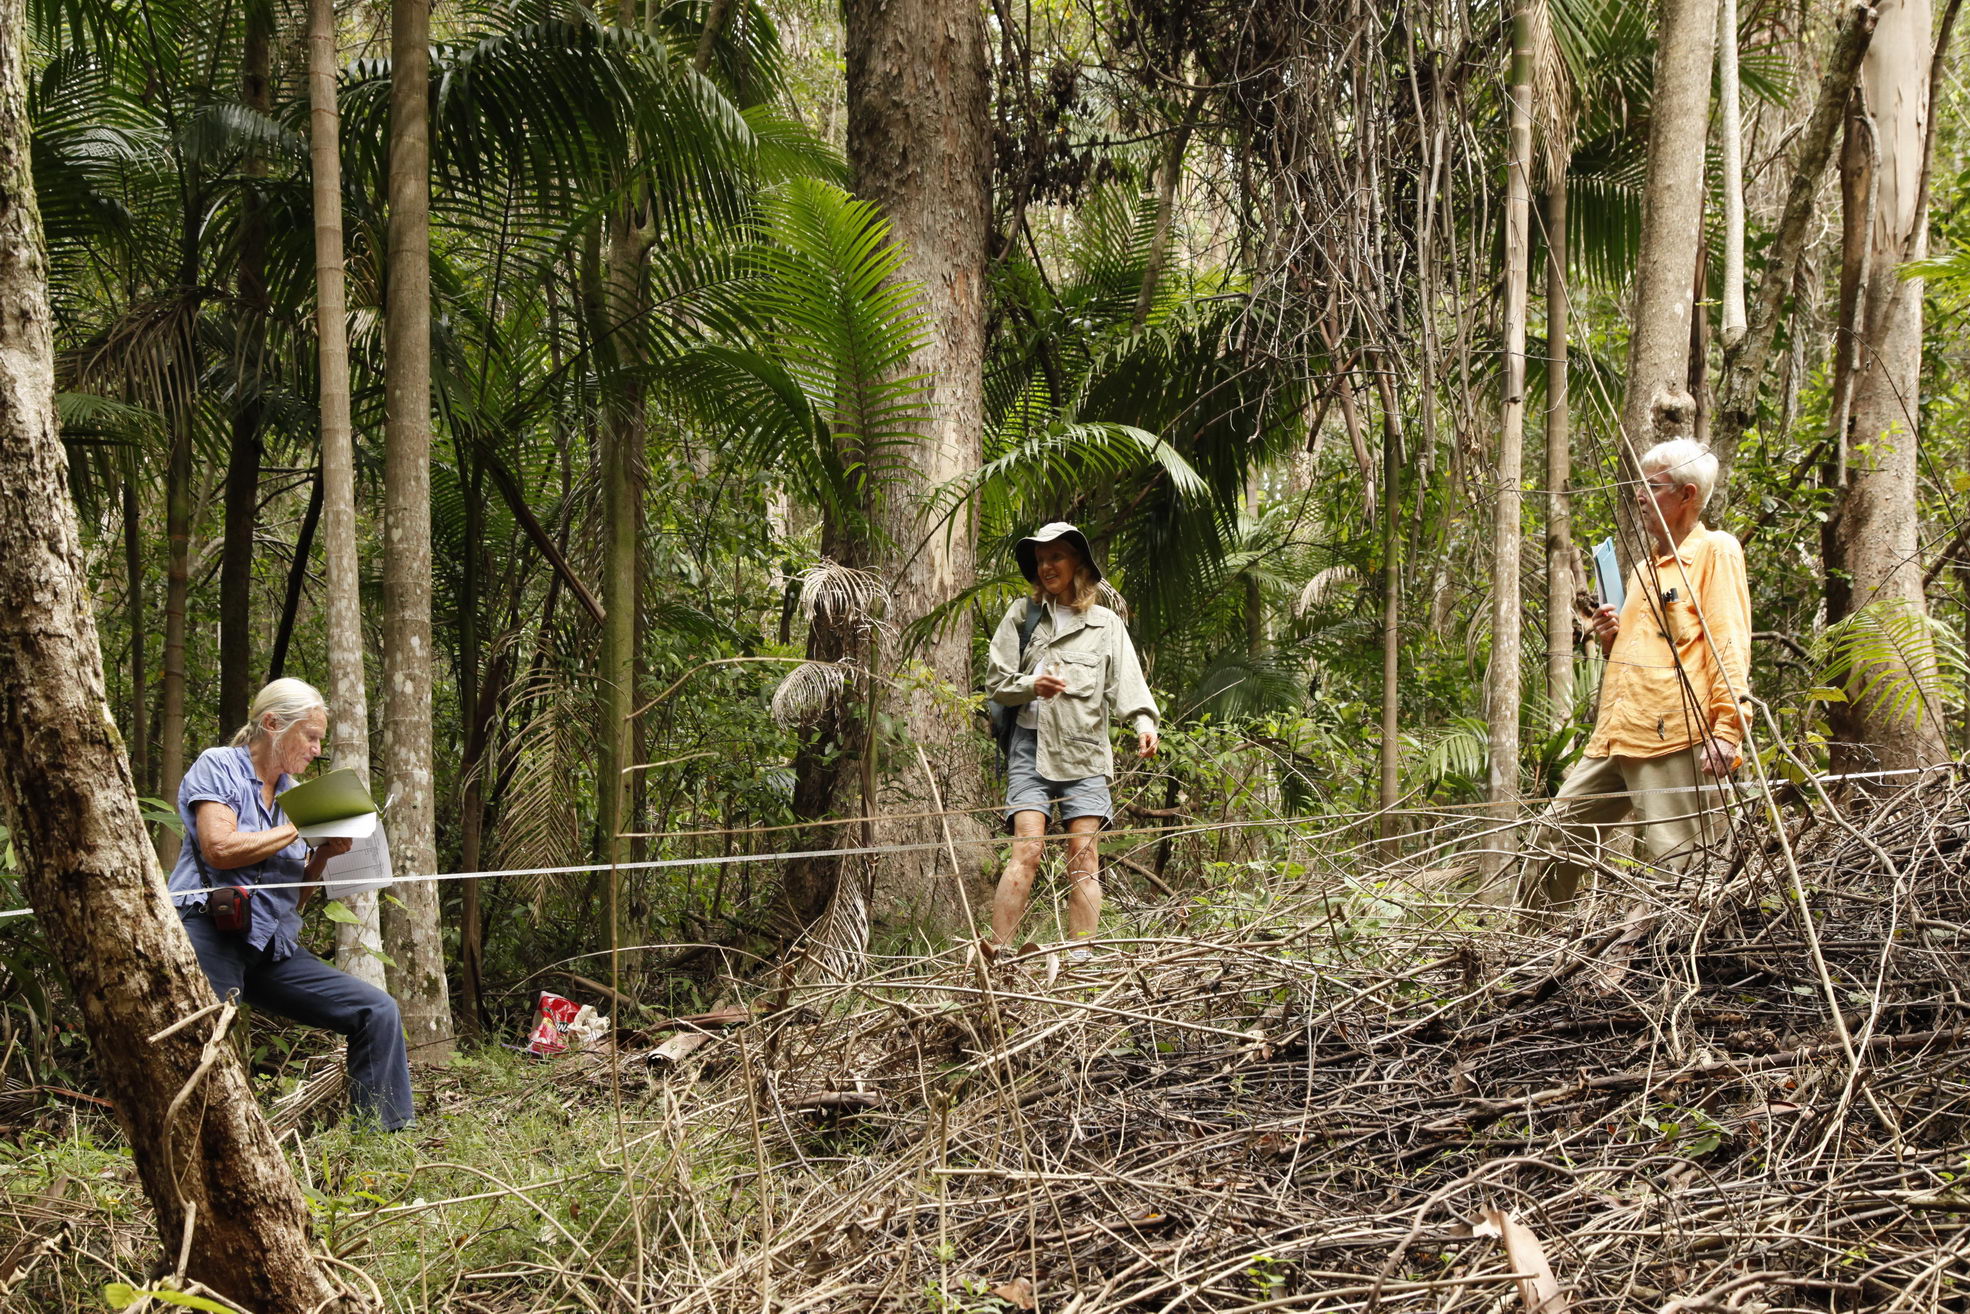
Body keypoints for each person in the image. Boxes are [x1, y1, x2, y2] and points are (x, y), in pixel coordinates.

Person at [166, 678, 414, 1131]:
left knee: (376, 1011)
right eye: (311, 736)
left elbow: (292, 900)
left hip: (269, 943)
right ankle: (186, 1143)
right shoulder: (219, 767)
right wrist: (304, 825)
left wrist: (323, 854)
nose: (318, 749)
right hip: (209, 929)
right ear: (273, 724)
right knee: (203, 1046)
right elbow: (219, 847)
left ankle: (382, 1142)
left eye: (321, 739)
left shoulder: (296, 795)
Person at [1519, 438, 1752, 917]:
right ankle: (1525, 964)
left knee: (1684, 871)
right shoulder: (1646, 567)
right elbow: (1653, 646)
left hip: (1678, 735)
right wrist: (1612, 638)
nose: (1640, 496)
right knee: (1552, 842)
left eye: (1652, 486)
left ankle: (1690, 977)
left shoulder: (1716, 552)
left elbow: (1728, 642)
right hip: (1617, 734)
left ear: (1687, 494)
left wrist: (1729, 729)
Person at [984, 523, 1159, 957]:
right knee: (1027, 849)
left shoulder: (1105, 625)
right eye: (1040, 560)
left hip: (1083, 753)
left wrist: (1143, 723)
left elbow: (1127, 683)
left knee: (1083, 856)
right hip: (1029, 747)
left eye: (1056, 557)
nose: (1046, 567)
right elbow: (996, 683)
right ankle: (999, 956)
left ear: (1078, 563)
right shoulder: (1022, 617)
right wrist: (1031, 686)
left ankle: (1080, 961)